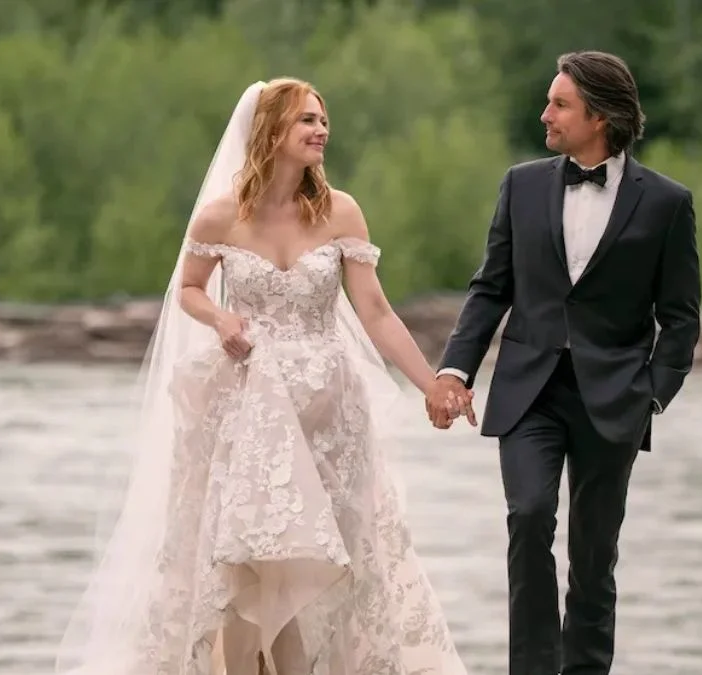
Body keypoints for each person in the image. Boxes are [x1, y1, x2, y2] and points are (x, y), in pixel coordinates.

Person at [56, 78, 469, 675]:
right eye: (307, 120)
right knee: (247, 561)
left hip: (330, 416)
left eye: (323, 120)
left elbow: (375, 311)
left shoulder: (341, 211)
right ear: (271, 131)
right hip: (246, 409)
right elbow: (189, 289)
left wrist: (431, 383)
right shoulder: (220, 215)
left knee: (332, 561)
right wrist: (221, 318)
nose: (321, 130)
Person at [425, 51, 702, 675]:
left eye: (559, 105)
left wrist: (652, 396)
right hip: (529, 393)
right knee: (528, 518)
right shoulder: (520, 185)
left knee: (594, 555)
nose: (544, 114)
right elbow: (490, 289)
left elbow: (681, 317)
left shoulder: (667, 203)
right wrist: (453, 370)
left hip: (616, 399)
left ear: (599, 116)